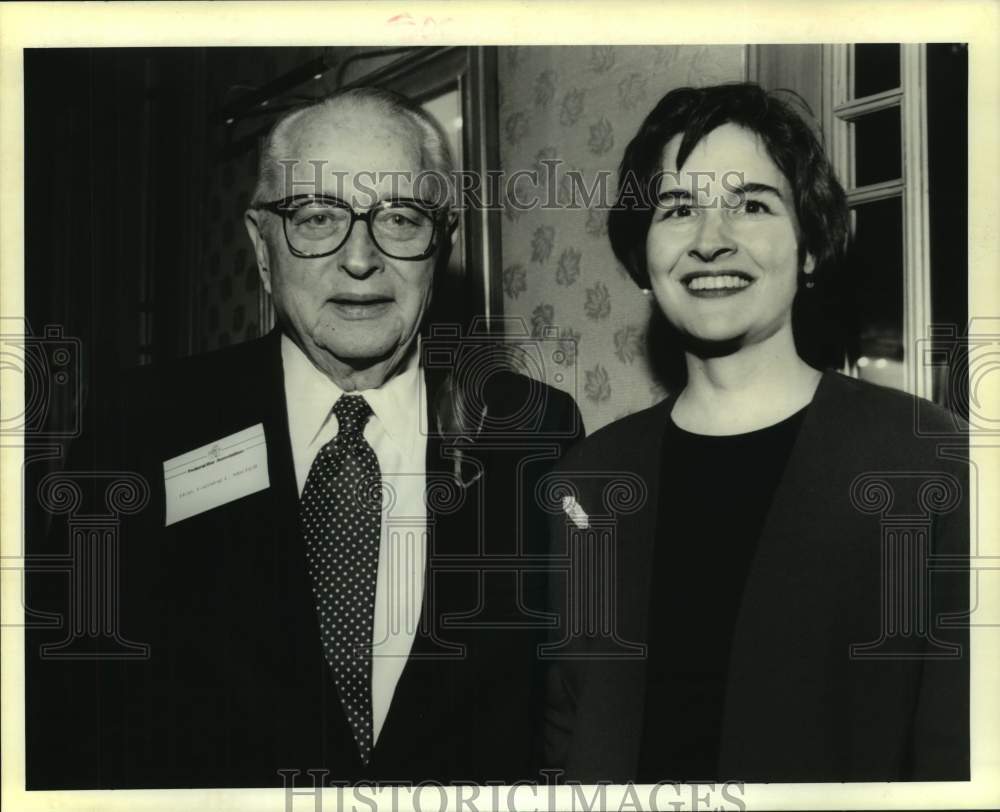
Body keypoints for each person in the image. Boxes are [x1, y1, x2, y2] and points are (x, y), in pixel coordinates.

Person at [26, 86, 583, 788]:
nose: (359, 259)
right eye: (318, 217)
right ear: (261, 248)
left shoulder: (534, 430)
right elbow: (62, 714)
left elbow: (568, 713)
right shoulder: (138, 428)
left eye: (401, 218)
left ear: (441, 244)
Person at [543, 83, 968, 783]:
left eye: (753, 205)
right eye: (679, 209)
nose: (712, 241)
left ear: (807, 247)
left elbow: (959, 757)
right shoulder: (585, 484)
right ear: (643, 257)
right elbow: (562, 743)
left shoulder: (925, 463)